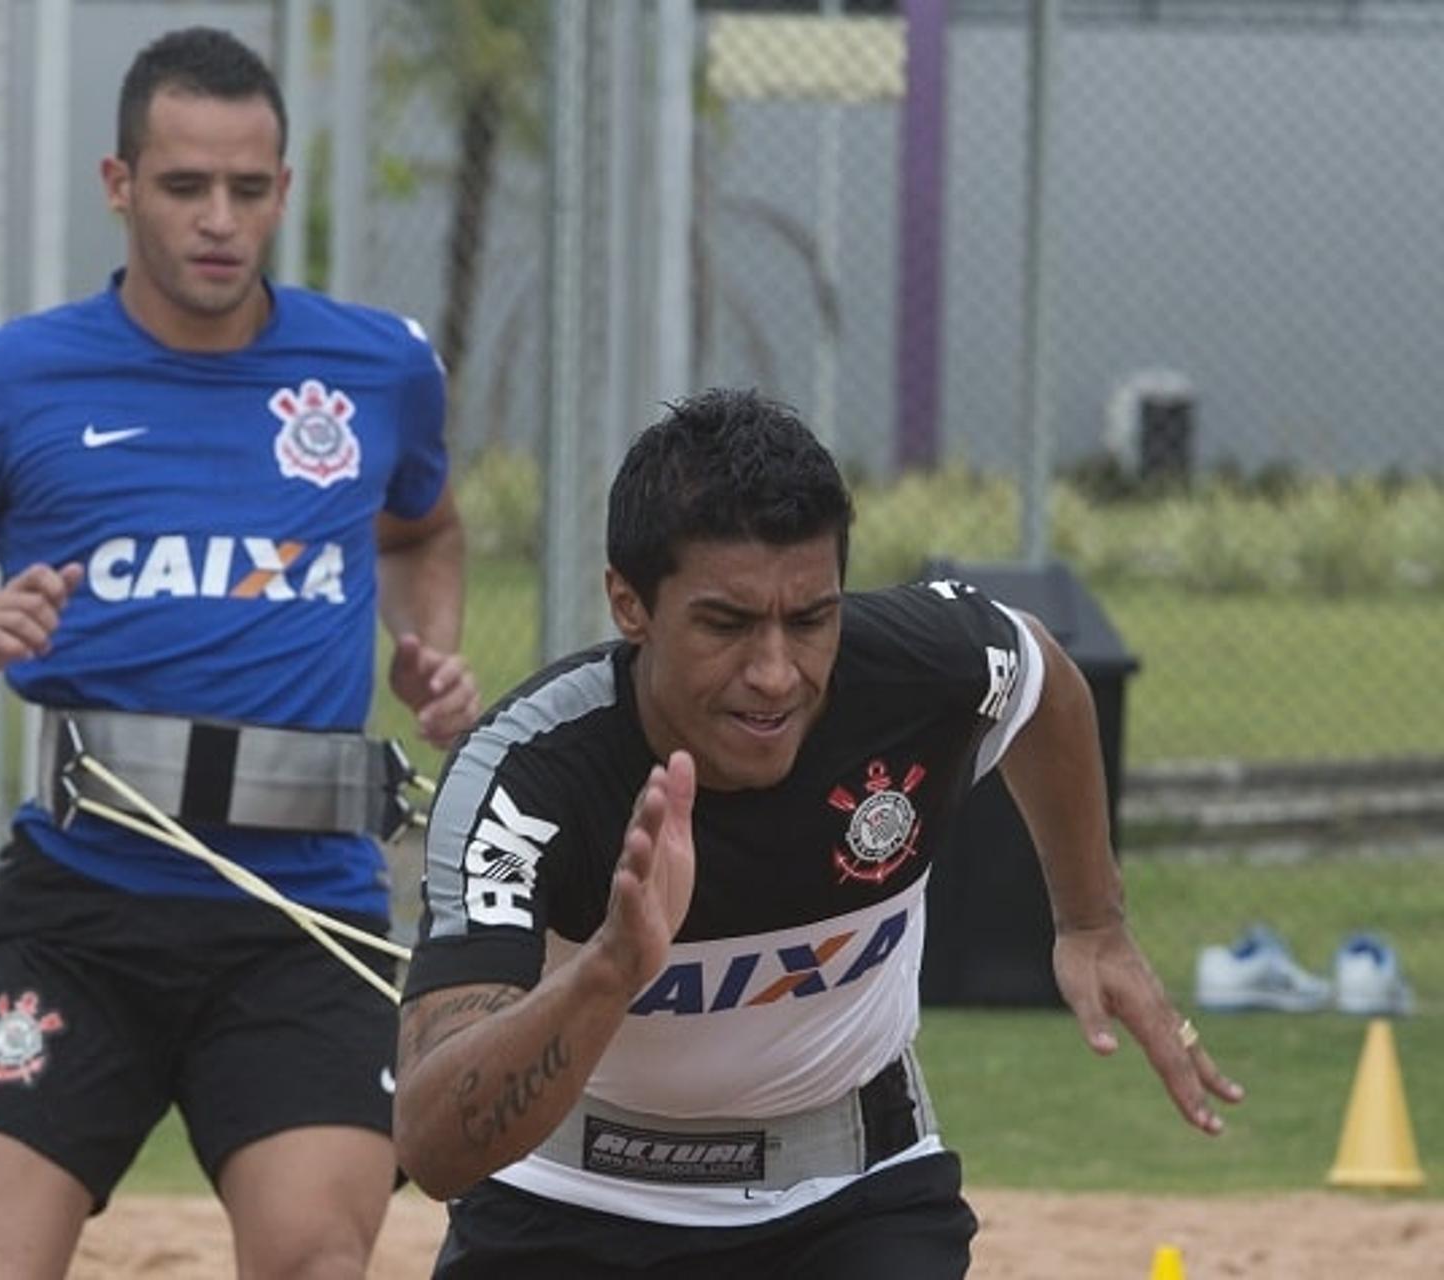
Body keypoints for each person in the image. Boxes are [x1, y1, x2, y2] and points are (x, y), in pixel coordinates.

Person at [0, 26, 477, 1280]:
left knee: (315, 1261)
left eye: (248, 187)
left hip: (305, 909)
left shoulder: (379, 367)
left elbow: (424, 525)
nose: (218, 220)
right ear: (121, 186)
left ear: (284, 188)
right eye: (183, 186)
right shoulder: (9, 382)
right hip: (83, 907)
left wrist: (424, 642)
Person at [391, 387, 1242, 1278]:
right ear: (629, 603)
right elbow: (434, 1140)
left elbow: (1046, 683)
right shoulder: (524, 780)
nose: (774, 673)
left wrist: (1092, 918)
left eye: (811, 620)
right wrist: (610, 970)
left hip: (851, 1195)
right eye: (725, 624)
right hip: (566, 1203)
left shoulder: (923, 666)